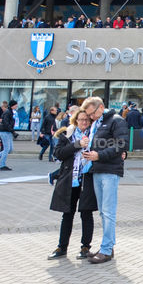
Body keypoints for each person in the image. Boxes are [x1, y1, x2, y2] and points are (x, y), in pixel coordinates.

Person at [81, 96, 128, 264]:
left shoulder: (116, 121)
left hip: (109, 170)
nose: (90, 117)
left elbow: (121, 145)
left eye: (92, 113)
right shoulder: (98, 122)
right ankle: (107, 246)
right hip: (97, 169)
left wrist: (98, 155)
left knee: (108, 212)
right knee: (103, 211)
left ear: (100, 107)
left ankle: (106, 250)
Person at [47, 109, 97, 260]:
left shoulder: (95, 135)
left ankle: (85, 247)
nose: (84, 122)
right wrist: (77, 145)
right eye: (81, 119)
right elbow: (58, 153)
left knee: (86, 213)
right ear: (76, 120)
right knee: (67, 214)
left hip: (87, 180)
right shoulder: (68, 134)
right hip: (70, 180)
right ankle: (62, 247)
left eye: (87, 120)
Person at [0, 99, 16, 170]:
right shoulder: (8, 112)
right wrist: (13, 131)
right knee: (6, 149)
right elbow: (6, 123)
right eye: (15, 105)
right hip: (5, 131)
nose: (16, 106)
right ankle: (2, 165)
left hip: (8, 131)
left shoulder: (10, 112)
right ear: (12, 105)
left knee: (10, 149)